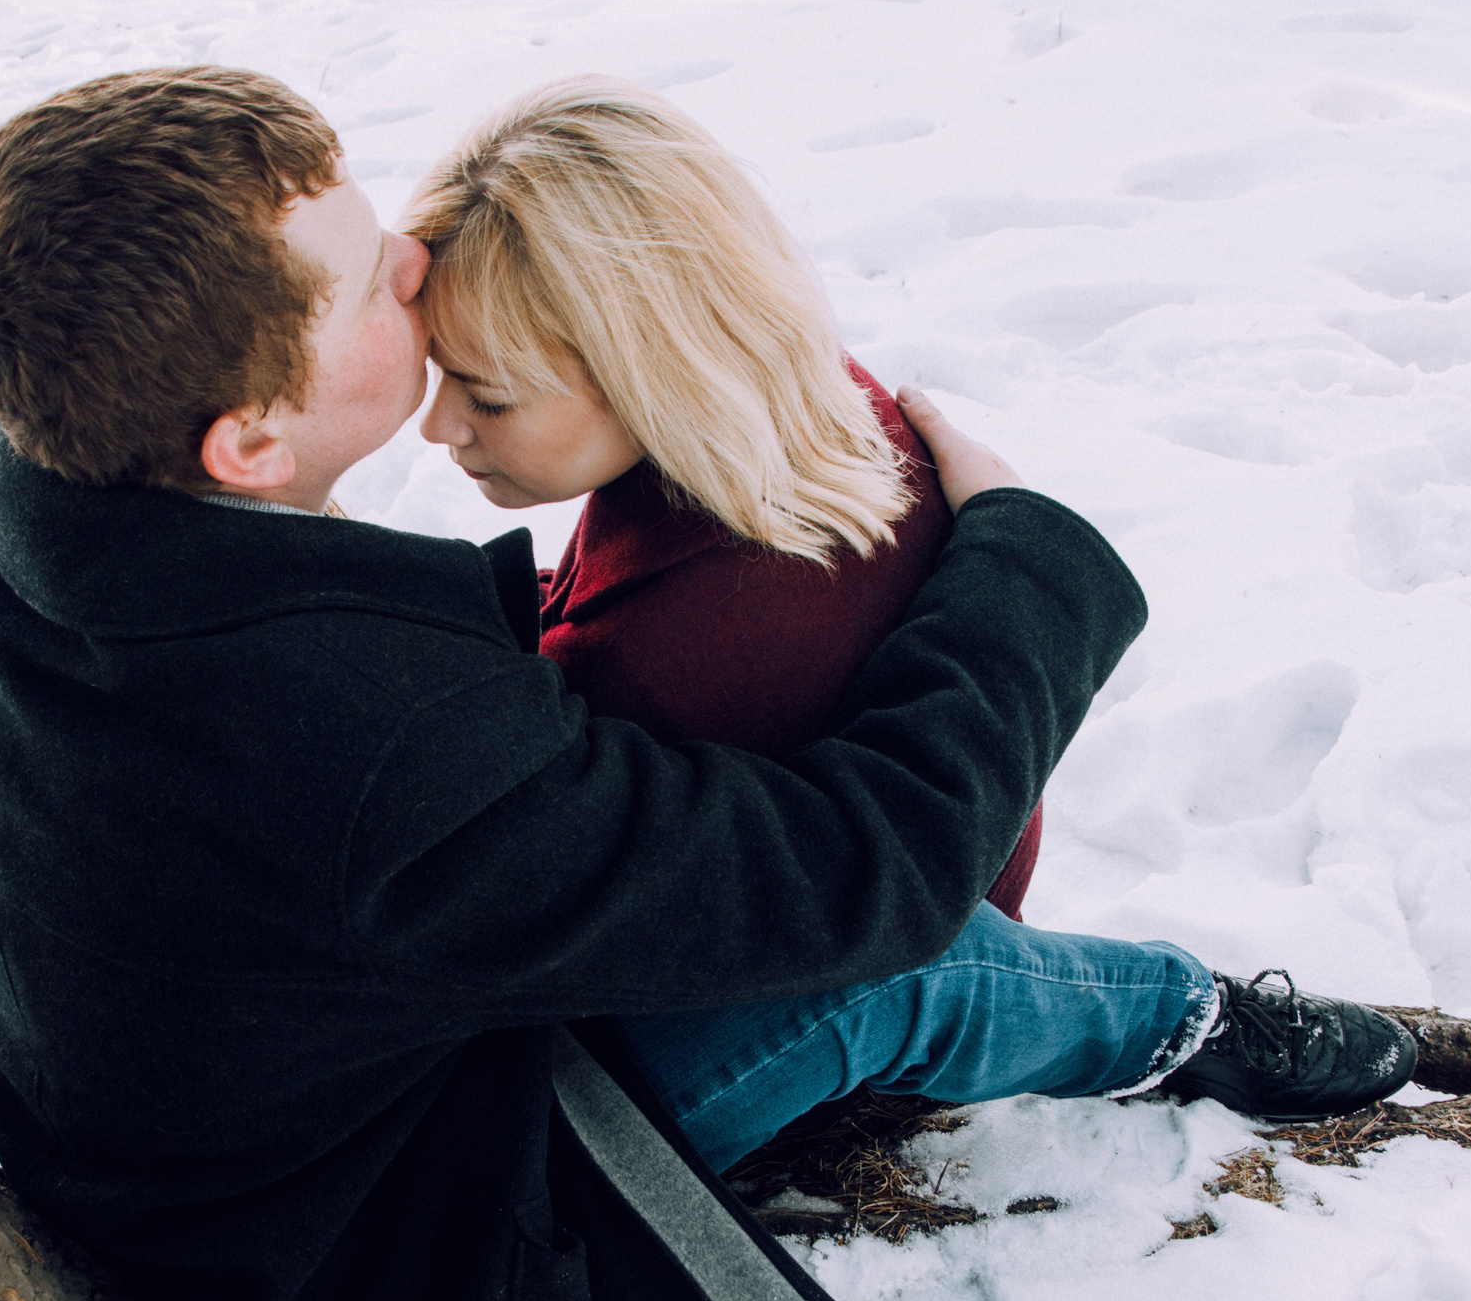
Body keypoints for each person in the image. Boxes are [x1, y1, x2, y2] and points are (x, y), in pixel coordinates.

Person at [0, 65, 1416, 1301]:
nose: (417, 261)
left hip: (165, 1124)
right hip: (351, 1247)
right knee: (890, 971)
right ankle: (1192, 1019)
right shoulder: (374, 747)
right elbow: (872, 872)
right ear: (248, 441)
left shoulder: (9, 518)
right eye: (370, 281)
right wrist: (1023, 554)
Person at [405, 78, 1045, 933]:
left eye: (487, 397)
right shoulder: (804, 403)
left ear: (650, 365)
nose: (437, 426)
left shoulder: (680, 655)